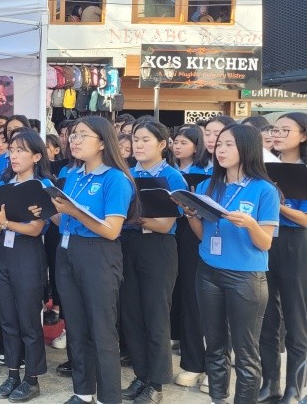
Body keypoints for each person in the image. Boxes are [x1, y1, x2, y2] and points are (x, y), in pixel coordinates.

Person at [37, 115, 136, 404]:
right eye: (73, 135)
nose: (74, 141)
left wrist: (75, 211)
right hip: (67, 253)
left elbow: (111, 229)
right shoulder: (75, 175)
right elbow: (63, 220)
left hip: (98, 257)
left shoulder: (116, 179)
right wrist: (44, 209)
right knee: (77, 328)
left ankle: (108, 397)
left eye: (82, 136)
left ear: (103, 143)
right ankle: (83, 391)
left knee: (102, 330)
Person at [182, 124, 279, 404]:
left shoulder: (264, 190)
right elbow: (204, 236)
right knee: (214, 345)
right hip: (208, 271)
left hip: (246, 277)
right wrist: (191, 216)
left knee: (246, 351)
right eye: (219, 144)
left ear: (247, 148)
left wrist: (249, 224)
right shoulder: (206, 186)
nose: (221, 150)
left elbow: (265, 243)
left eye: (229, 145)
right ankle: (218, 399)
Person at [119, 119, 188, 403]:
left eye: (146, 139)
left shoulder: (173, 178)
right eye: (136, 139)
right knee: (131, 314)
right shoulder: (125, 174)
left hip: (158, 247)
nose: (139, 144)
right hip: (127, 243)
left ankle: (156, 383)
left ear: (162, 144)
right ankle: (140, 375)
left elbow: (164, 224)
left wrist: (132, 217)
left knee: (156, 314)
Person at [0, 128, 54, 401]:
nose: (14, 156)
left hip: (28, 255)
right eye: (11, 150)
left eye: (21, 150)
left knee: (28, 320)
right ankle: (12, 373)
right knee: (7, 318)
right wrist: (5, 223)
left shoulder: (43, 187)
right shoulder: (3, 186)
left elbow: (36, 229)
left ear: (37, 155)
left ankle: (32, 378)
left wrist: (4, 222)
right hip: (2, 253)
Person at [259, 113, 307, 404]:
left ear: (303, 136)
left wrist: (280, 206)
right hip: (265, 241)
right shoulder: (263, 168)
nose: (277, 135)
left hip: (295, 244)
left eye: (286, 130)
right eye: (275, 129)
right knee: (266, 316)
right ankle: (270, 382)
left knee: (296, 316)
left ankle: (294, 386)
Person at [170, 125, 212, 389]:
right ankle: (192, 361)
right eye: (175, 141)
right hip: (173, 236)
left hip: (202, 238)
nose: (177, 146)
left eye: (184, 142)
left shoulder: (208, 176)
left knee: (203, 304)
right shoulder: (169, 173)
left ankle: (212, 367)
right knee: (183, 298)